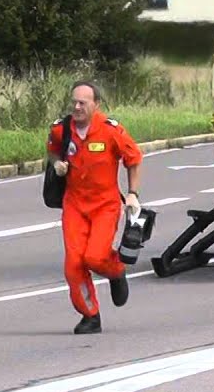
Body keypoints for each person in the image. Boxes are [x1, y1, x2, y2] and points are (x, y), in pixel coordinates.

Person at [47, 81, 143, 333]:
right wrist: (57, 164)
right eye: (74, 102)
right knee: (74, 265)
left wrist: (132, 194)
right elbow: (53, 151)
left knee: (96, 256)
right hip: (74, 205)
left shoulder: (110, 131)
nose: (77, 107)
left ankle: (116, 271)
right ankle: (90, 316)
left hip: (104, 205)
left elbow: (133, 159)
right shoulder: (60, 129)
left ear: (96, 104)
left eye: (83, 103)